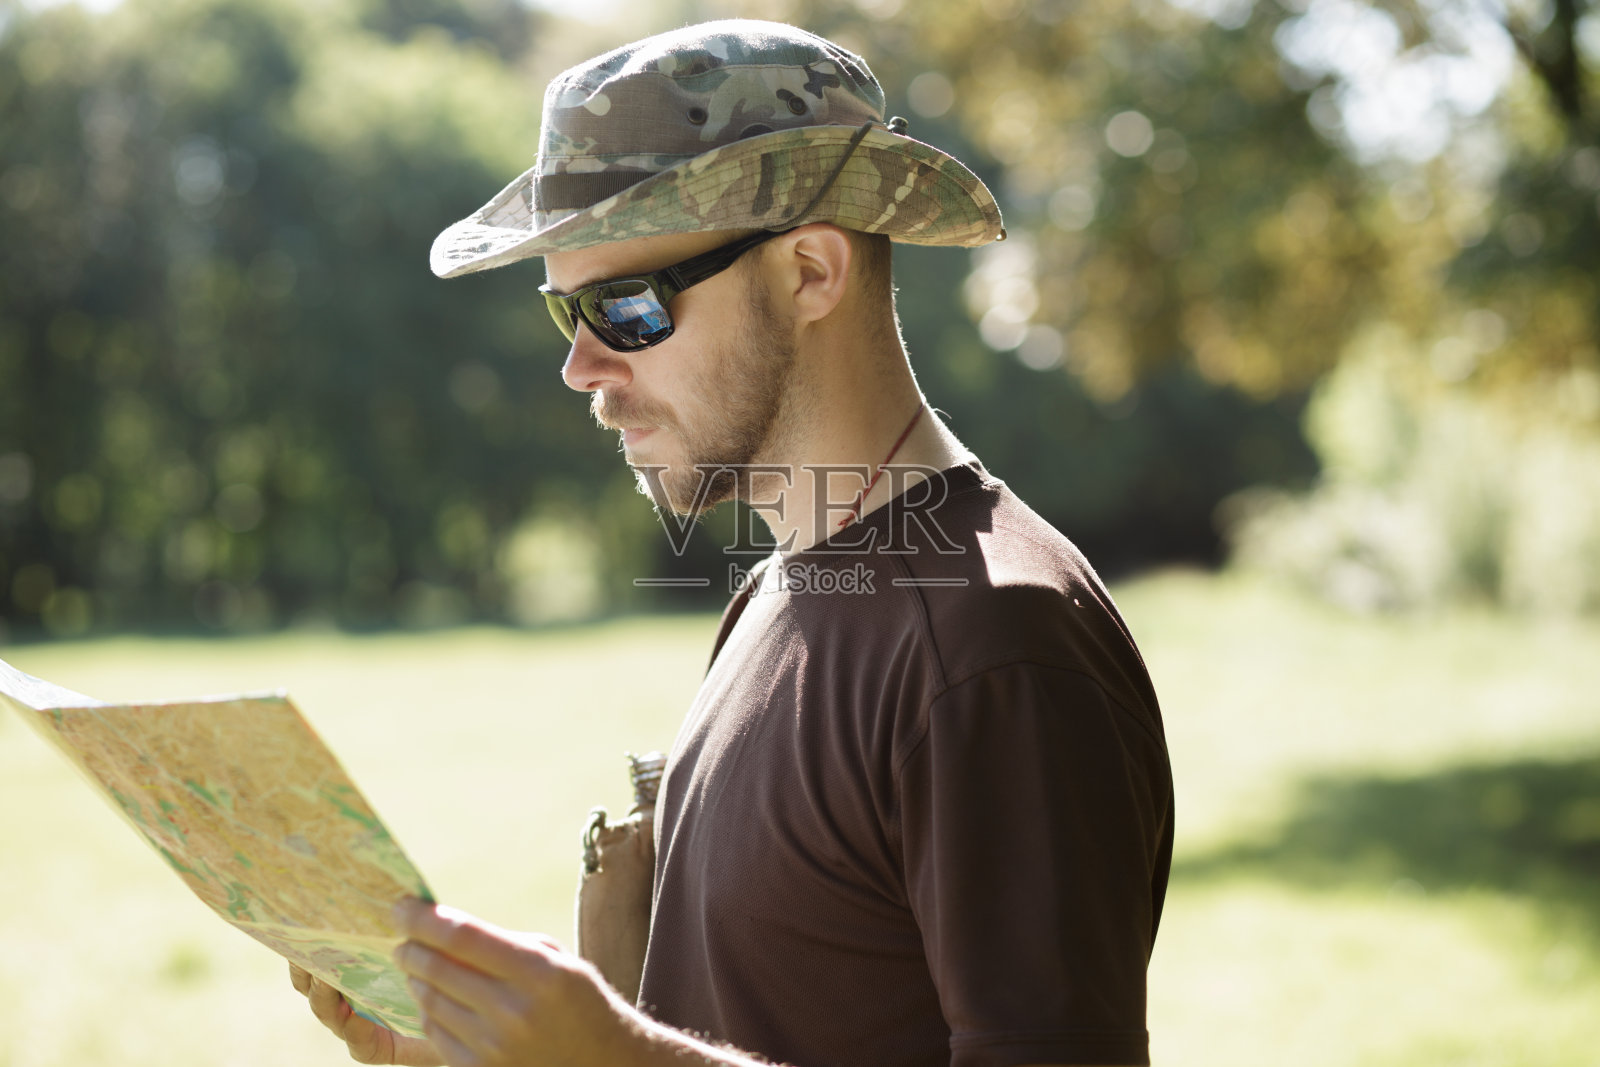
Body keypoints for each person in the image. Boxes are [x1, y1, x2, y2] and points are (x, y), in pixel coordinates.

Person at [290, 19, 1174, 1067]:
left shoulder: (991, 643)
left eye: (624, 306)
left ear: (810, 271)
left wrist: (615, 1057)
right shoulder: (776, 593)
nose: (580, 367)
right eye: (564, 312)